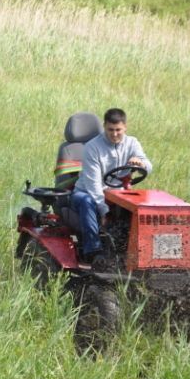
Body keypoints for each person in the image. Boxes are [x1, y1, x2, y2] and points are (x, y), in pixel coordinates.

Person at [70, 108, 151, 265]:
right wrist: (104, 210)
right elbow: (93, 184)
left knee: (140, 207)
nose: (114, 134)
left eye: (118, 130)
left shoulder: (132, 143)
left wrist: (141, 163)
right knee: (87, 201)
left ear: (125, 127)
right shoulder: (92, 147)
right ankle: (93, 253)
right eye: (110, 130)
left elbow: (148, 165)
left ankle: (139, 254)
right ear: (104, 126)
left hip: (117, 194)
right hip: (86, 192)